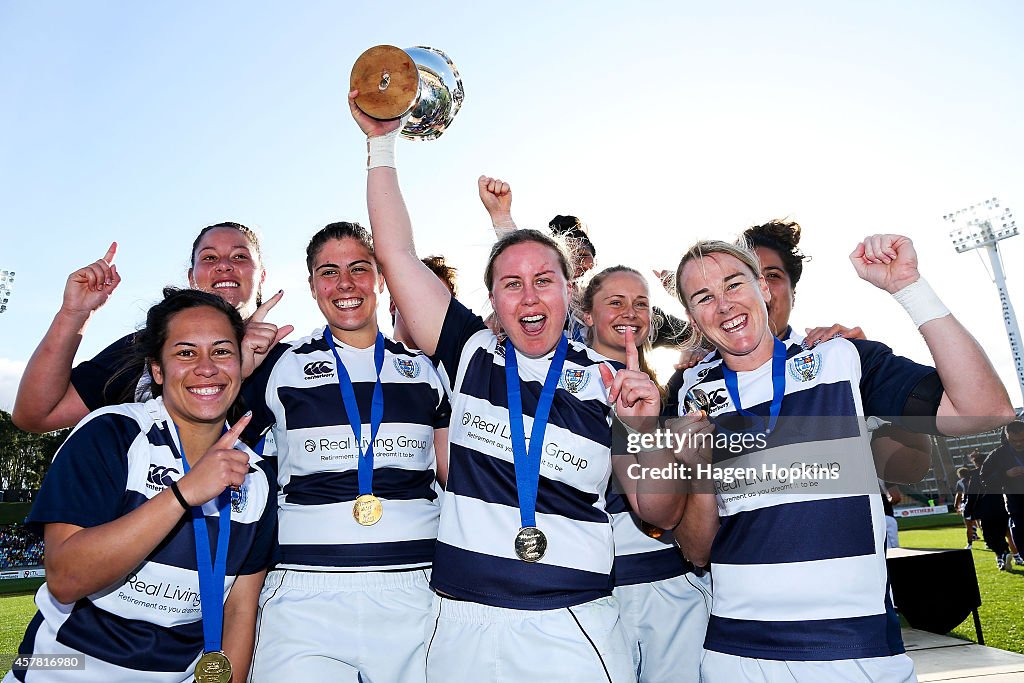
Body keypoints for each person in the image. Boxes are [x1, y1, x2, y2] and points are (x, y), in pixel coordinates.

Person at [351, 91, 680, 682]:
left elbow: (659, 511)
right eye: (511, 284)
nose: (529, 297)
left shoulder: (610, 383)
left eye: (543, 281)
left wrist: (644, 431)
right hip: (461, 625)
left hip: (573, 625)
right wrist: (381, 143)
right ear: (494, 301)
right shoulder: (470, 354)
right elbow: (396, 253)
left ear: (567, 293)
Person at [670, 234, 1013, 681]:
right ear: (692, 316)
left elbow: (984, 409)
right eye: (703, 297)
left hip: (855, 650)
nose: (724, 305)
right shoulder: (689, 395)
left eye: (734, 284)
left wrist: (908, 287)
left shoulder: (842, 358)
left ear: (764, 287)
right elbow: (697, 550)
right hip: (738, 654)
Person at [5, 288, 276, 683]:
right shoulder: (112, 432)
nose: (206, 367)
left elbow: (239, 608)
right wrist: (183, 494)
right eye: (185, 352)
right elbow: (65, 580)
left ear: (240, 364)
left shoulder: (257, 476)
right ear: (158, 370)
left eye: (221, 352)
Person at [240, 222, 451, 683]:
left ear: (380, 278)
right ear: (312, 285)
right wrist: (237, 363)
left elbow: (457, 477)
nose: (346, 284)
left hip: (414, 590)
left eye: (360, 268)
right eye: (328, 272)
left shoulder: (425, 371)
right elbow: (204, 435)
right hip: (303, 597)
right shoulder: (277, 364)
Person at [12, 222, 291, 433]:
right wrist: (74, 312)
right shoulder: (147, 350)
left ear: (262, 275)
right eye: (209, 258)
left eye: (240, 257)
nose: (224, 266)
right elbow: (35, 416)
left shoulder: (293, 363)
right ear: (191, 278)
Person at [580, 266, 710, 683]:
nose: (630, 312)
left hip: (672, 584)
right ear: (586, 314)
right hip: (592, 592)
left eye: (641, 304)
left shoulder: (675, 394)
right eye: (614, 302)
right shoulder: (557, 388)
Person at [979, 421, 1024, 569]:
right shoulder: (998, 455)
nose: (1018, 444)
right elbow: (984, 479)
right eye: (1014, 441)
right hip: (1017, 505)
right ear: (1007, 436)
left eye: (1022, 440)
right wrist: (1005, 474)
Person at [954, 463, 980, 549]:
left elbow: (959, 495)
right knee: (981, 524)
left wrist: (956, 506)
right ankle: (988, 542)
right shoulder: (975, 479)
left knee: (968, 526)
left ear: (960, 475)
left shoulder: (960, 482)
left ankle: (969, 544)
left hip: (967, 504)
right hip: (978, 503)